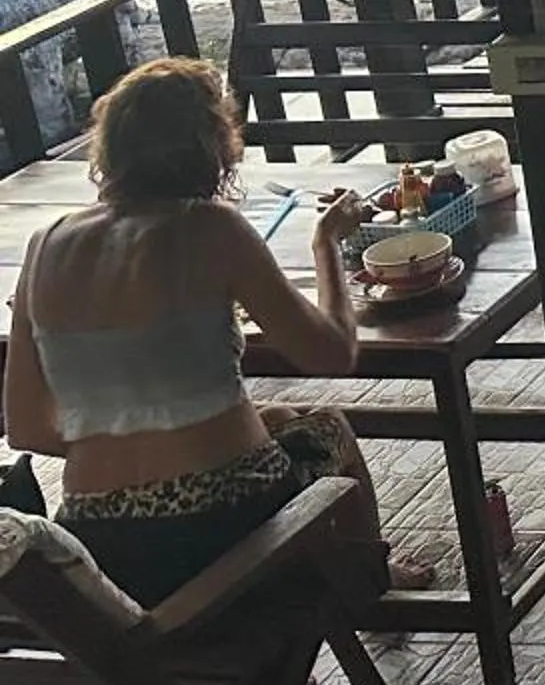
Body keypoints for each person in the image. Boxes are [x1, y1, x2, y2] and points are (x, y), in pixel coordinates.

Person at [1, 59, 421, 605]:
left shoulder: (45, 243)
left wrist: (130, 438)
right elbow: (333, 352)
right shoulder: (209, 226)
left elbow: (28, 428)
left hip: (104, 542)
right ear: (212, 147)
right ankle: (369, 581)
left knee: (277, 418)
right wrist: (328, 245)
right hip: (222, 525)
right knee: (326, 429)